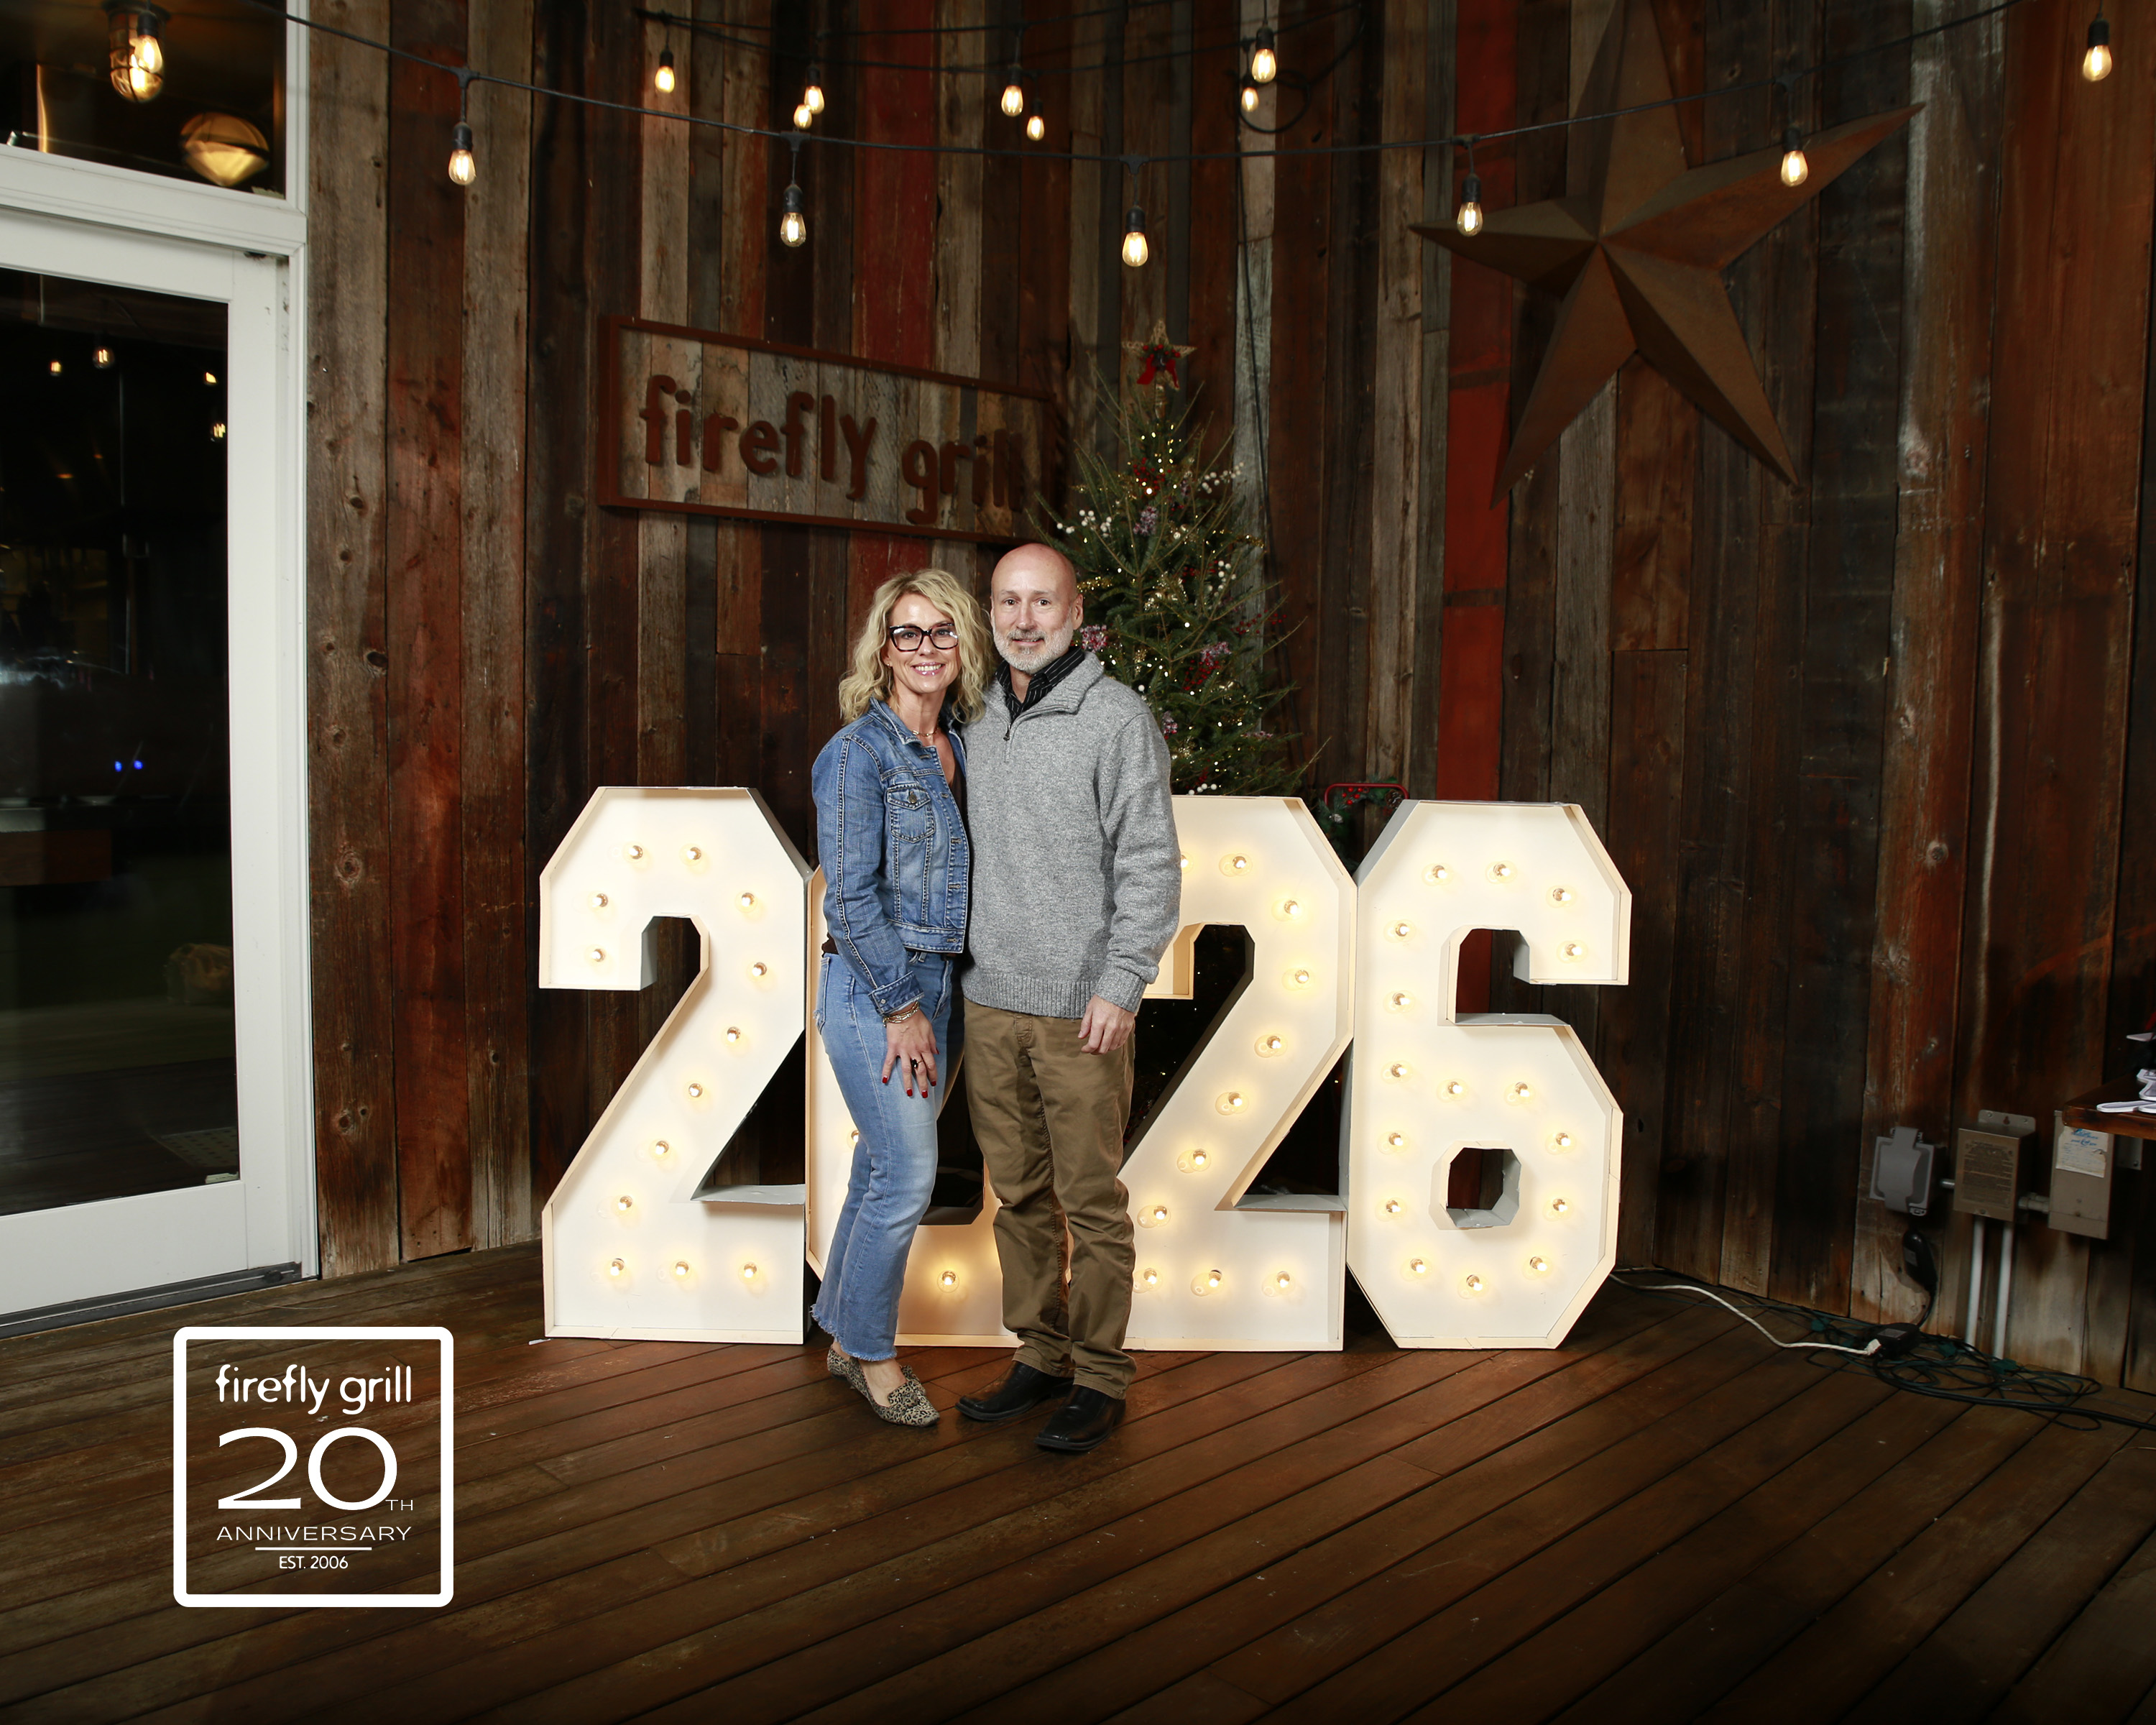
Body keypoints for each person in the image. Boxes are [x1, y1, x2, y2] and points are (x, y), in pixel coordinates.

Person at [957, 542, 1182, 1452]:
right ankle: (1040, 1354)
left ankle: (1100, 1375)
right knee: (1015, 1195)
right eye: (1007, 602)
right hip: (989, 998)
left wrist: (1121, 983)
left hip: (1083, 1006)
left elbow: (1151, 863)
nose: (1021, 620)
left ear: (1074, 609)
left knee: (1090, 1200)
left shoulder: (1116, 719)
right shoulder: (967, 716)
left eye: (1040, 602)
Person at [811, 567, 991, 1427]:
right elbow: (846, 896)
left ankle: (844, 1335)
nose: (926, 648)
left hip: (943, 984)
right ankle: (875, 1356)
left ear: (963, 644)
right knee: (907, 1177)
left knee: (878, 1167)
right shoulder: (857, 754)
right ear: (883, 651)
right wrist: (902, 1006)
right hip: (878, 987)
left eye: (942, 631)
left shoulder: (967, 743)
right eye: (908, 633)